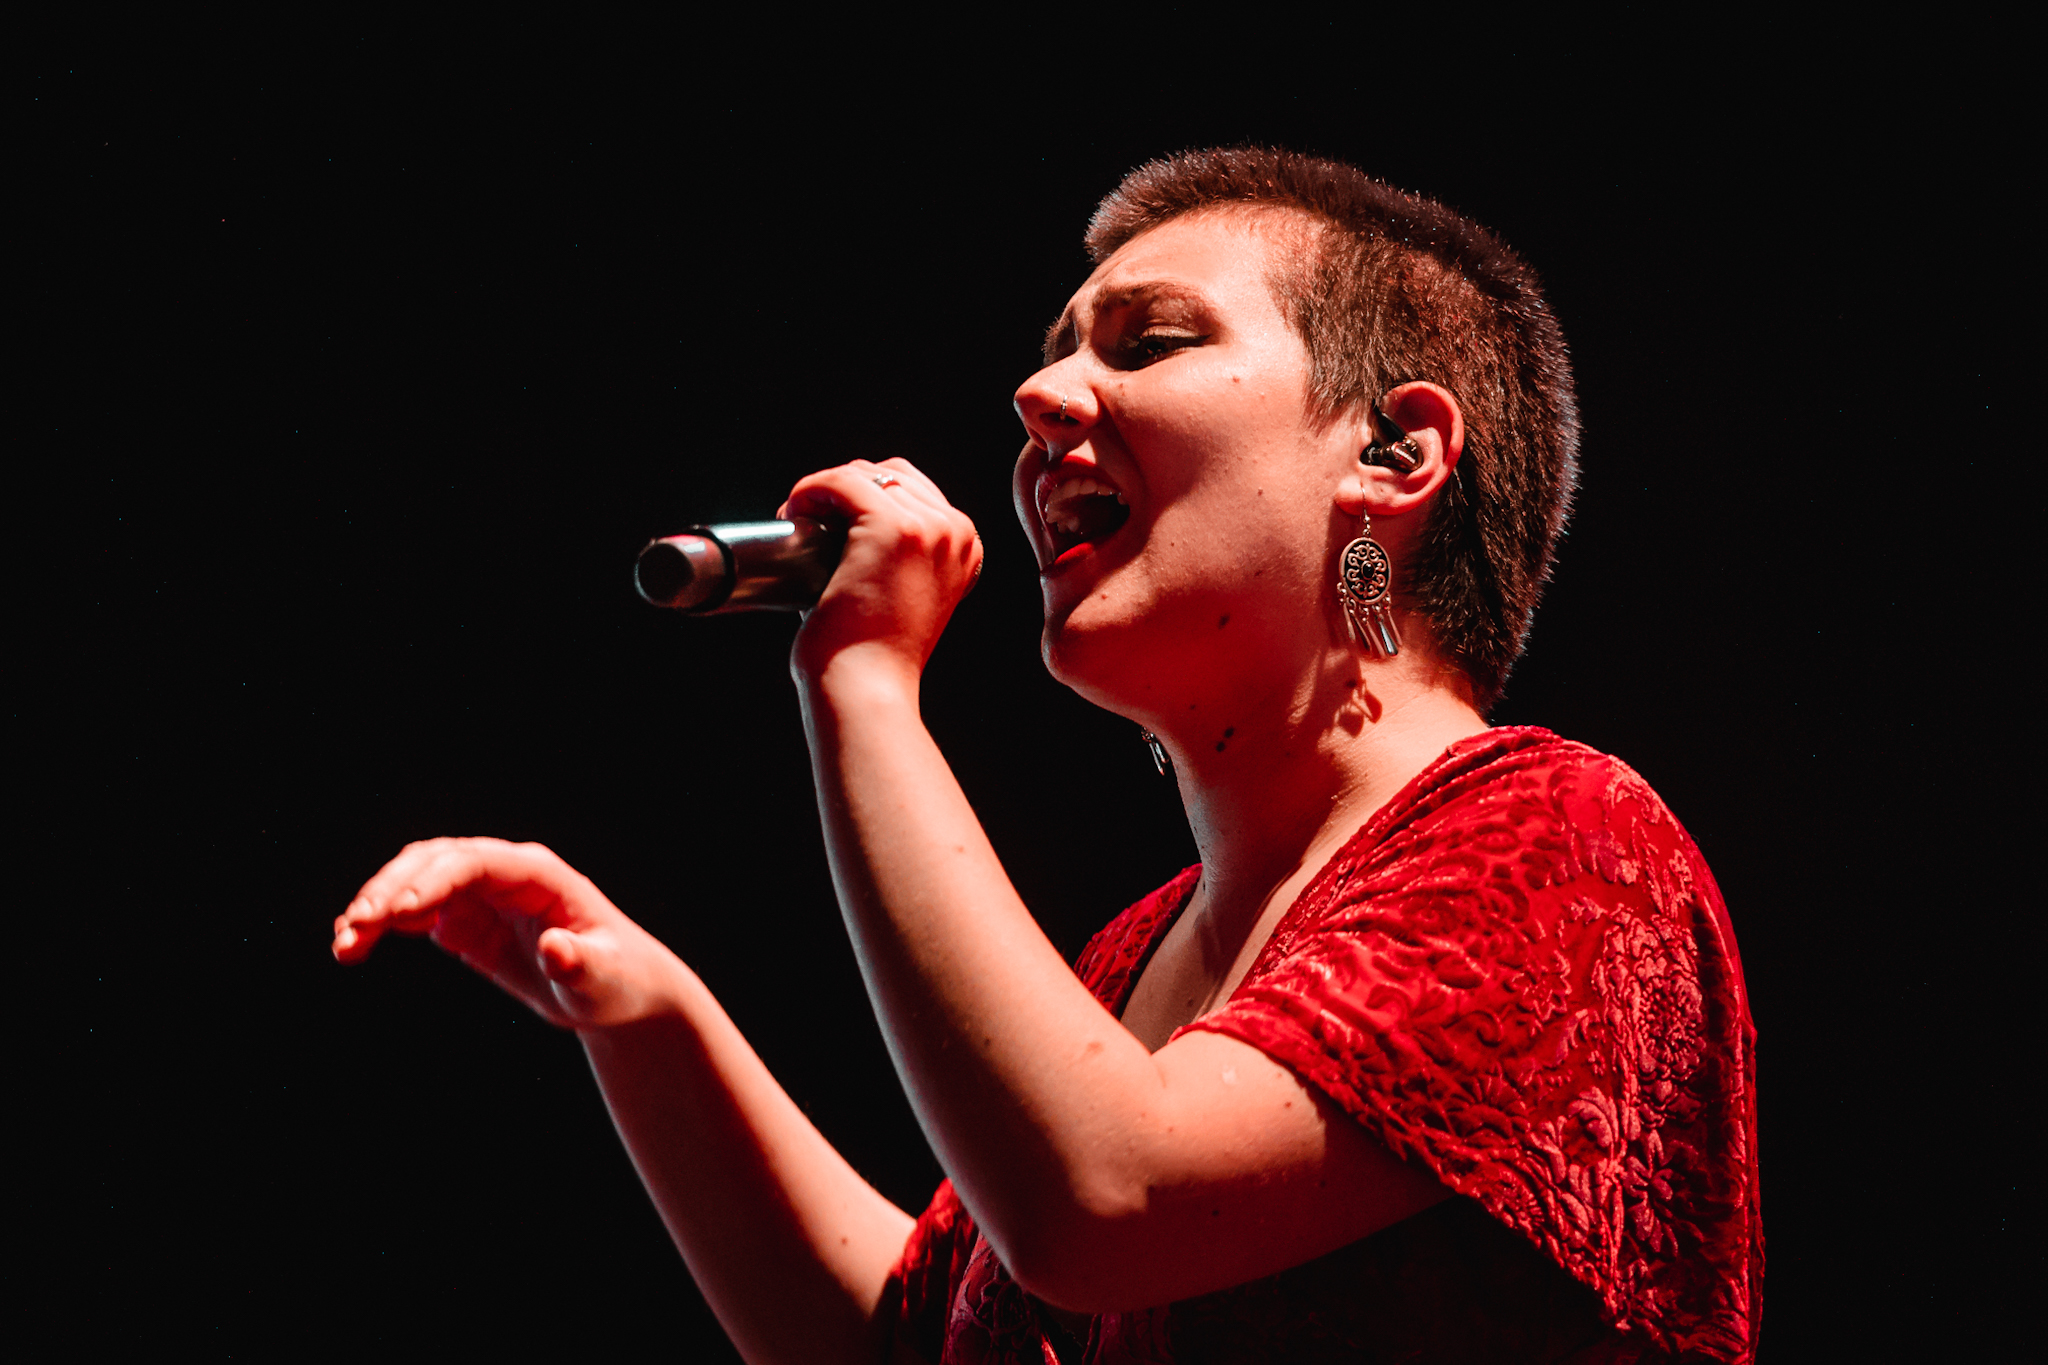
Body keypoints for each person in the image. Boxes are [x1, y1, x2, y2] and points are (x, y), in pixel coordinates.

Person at [332, 148, 1761, 1364]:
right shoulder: (1126, 962)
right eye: (1059, 346)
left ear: (1393, 452)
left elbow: (1104, 1198)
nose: (1040, 392)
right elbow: (916, 1338)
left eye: (1149, 342)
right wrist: (641, 1011)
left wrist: (863, 680)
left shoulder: (1566, 842)